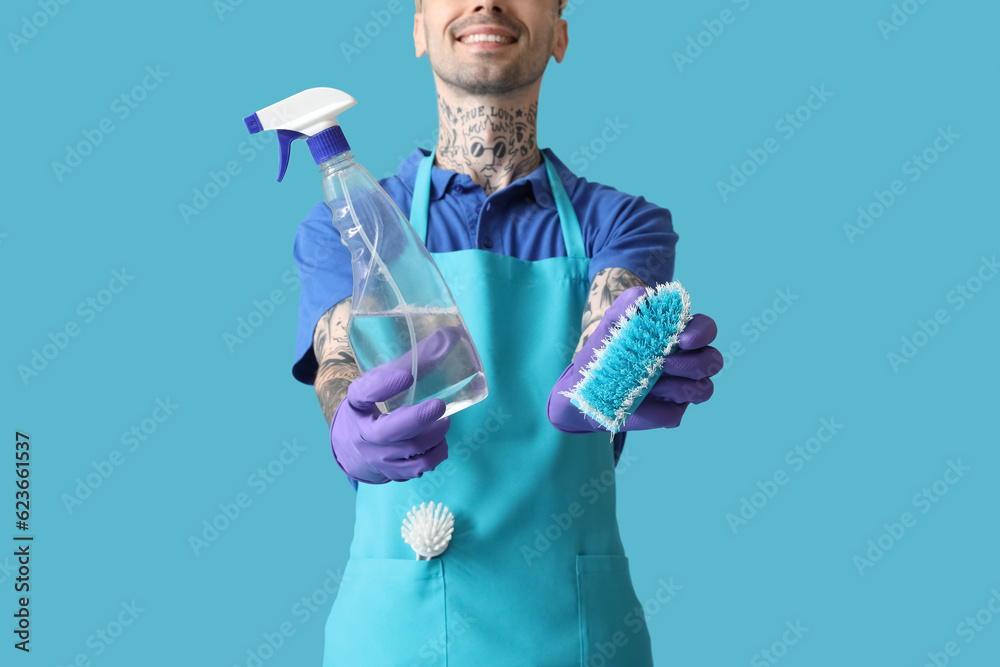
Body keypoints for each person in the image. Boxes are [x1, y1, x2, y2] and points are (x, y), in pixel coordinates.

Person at [291, 0, 723, 663]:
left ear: (560, 34)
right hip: (395, 634)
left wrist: (606, 382)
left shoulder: (622, 222)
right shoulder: (347, 225)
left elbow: (613, 325)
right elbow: (338, 358)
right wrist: (347, 421)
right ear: (416, 28)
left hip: (571, 632)